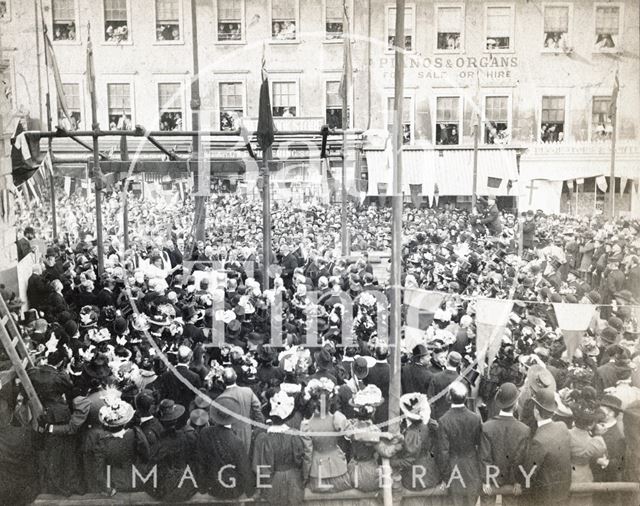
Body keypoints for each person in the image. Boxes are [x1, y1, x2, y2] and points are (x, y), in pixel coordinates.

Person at [480, 382, 530, 506]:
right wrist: (518, 481)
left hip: (491, 481)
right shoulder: (524, 430)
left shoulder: (486, 427)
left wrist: (486, 480)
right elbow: (522, 458)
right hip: (512, 482)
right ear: (515, 405)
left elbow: (484, 457)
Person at [196, 396, 256, 500]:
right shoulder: (236, 441)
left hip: (212, 487)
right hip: (231, 489)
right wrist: (250, 491)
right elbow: (244, 469)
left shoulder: (205, 433)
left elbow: (200, 462)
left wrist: (202, 488)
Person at [252, 391, 305, 505]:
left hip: (272, 483)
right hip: (293, 482)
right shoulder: (294, 435)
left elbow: (260, 468)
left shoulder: (263, 439)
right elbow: (300, 460)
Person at [521, 388, 571, 506]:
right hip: (563, 493)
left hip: (545, 498)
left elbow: (528, 473)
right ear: (553, 411)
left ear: (536, 412)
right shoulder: (562, 427)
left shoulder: (539, 441)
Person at [437, 381, 482, 506]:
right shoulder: (475, 418)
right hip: (472, 468)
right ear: (466, 397)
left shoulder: (444, 420)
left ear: (450, 397)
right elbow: (479, 444)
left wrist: (445, 477)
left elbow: (443, 452)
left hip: (453, 469)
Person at [212, 367, 264, 456]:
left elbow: (216, 420)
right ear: (235, 377)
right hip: (246, 431)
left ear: (223, 380)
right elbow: (258, 409)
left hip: (229, 434)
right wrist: (257, 428)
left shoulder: (220, 398)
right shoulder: (247, 391)